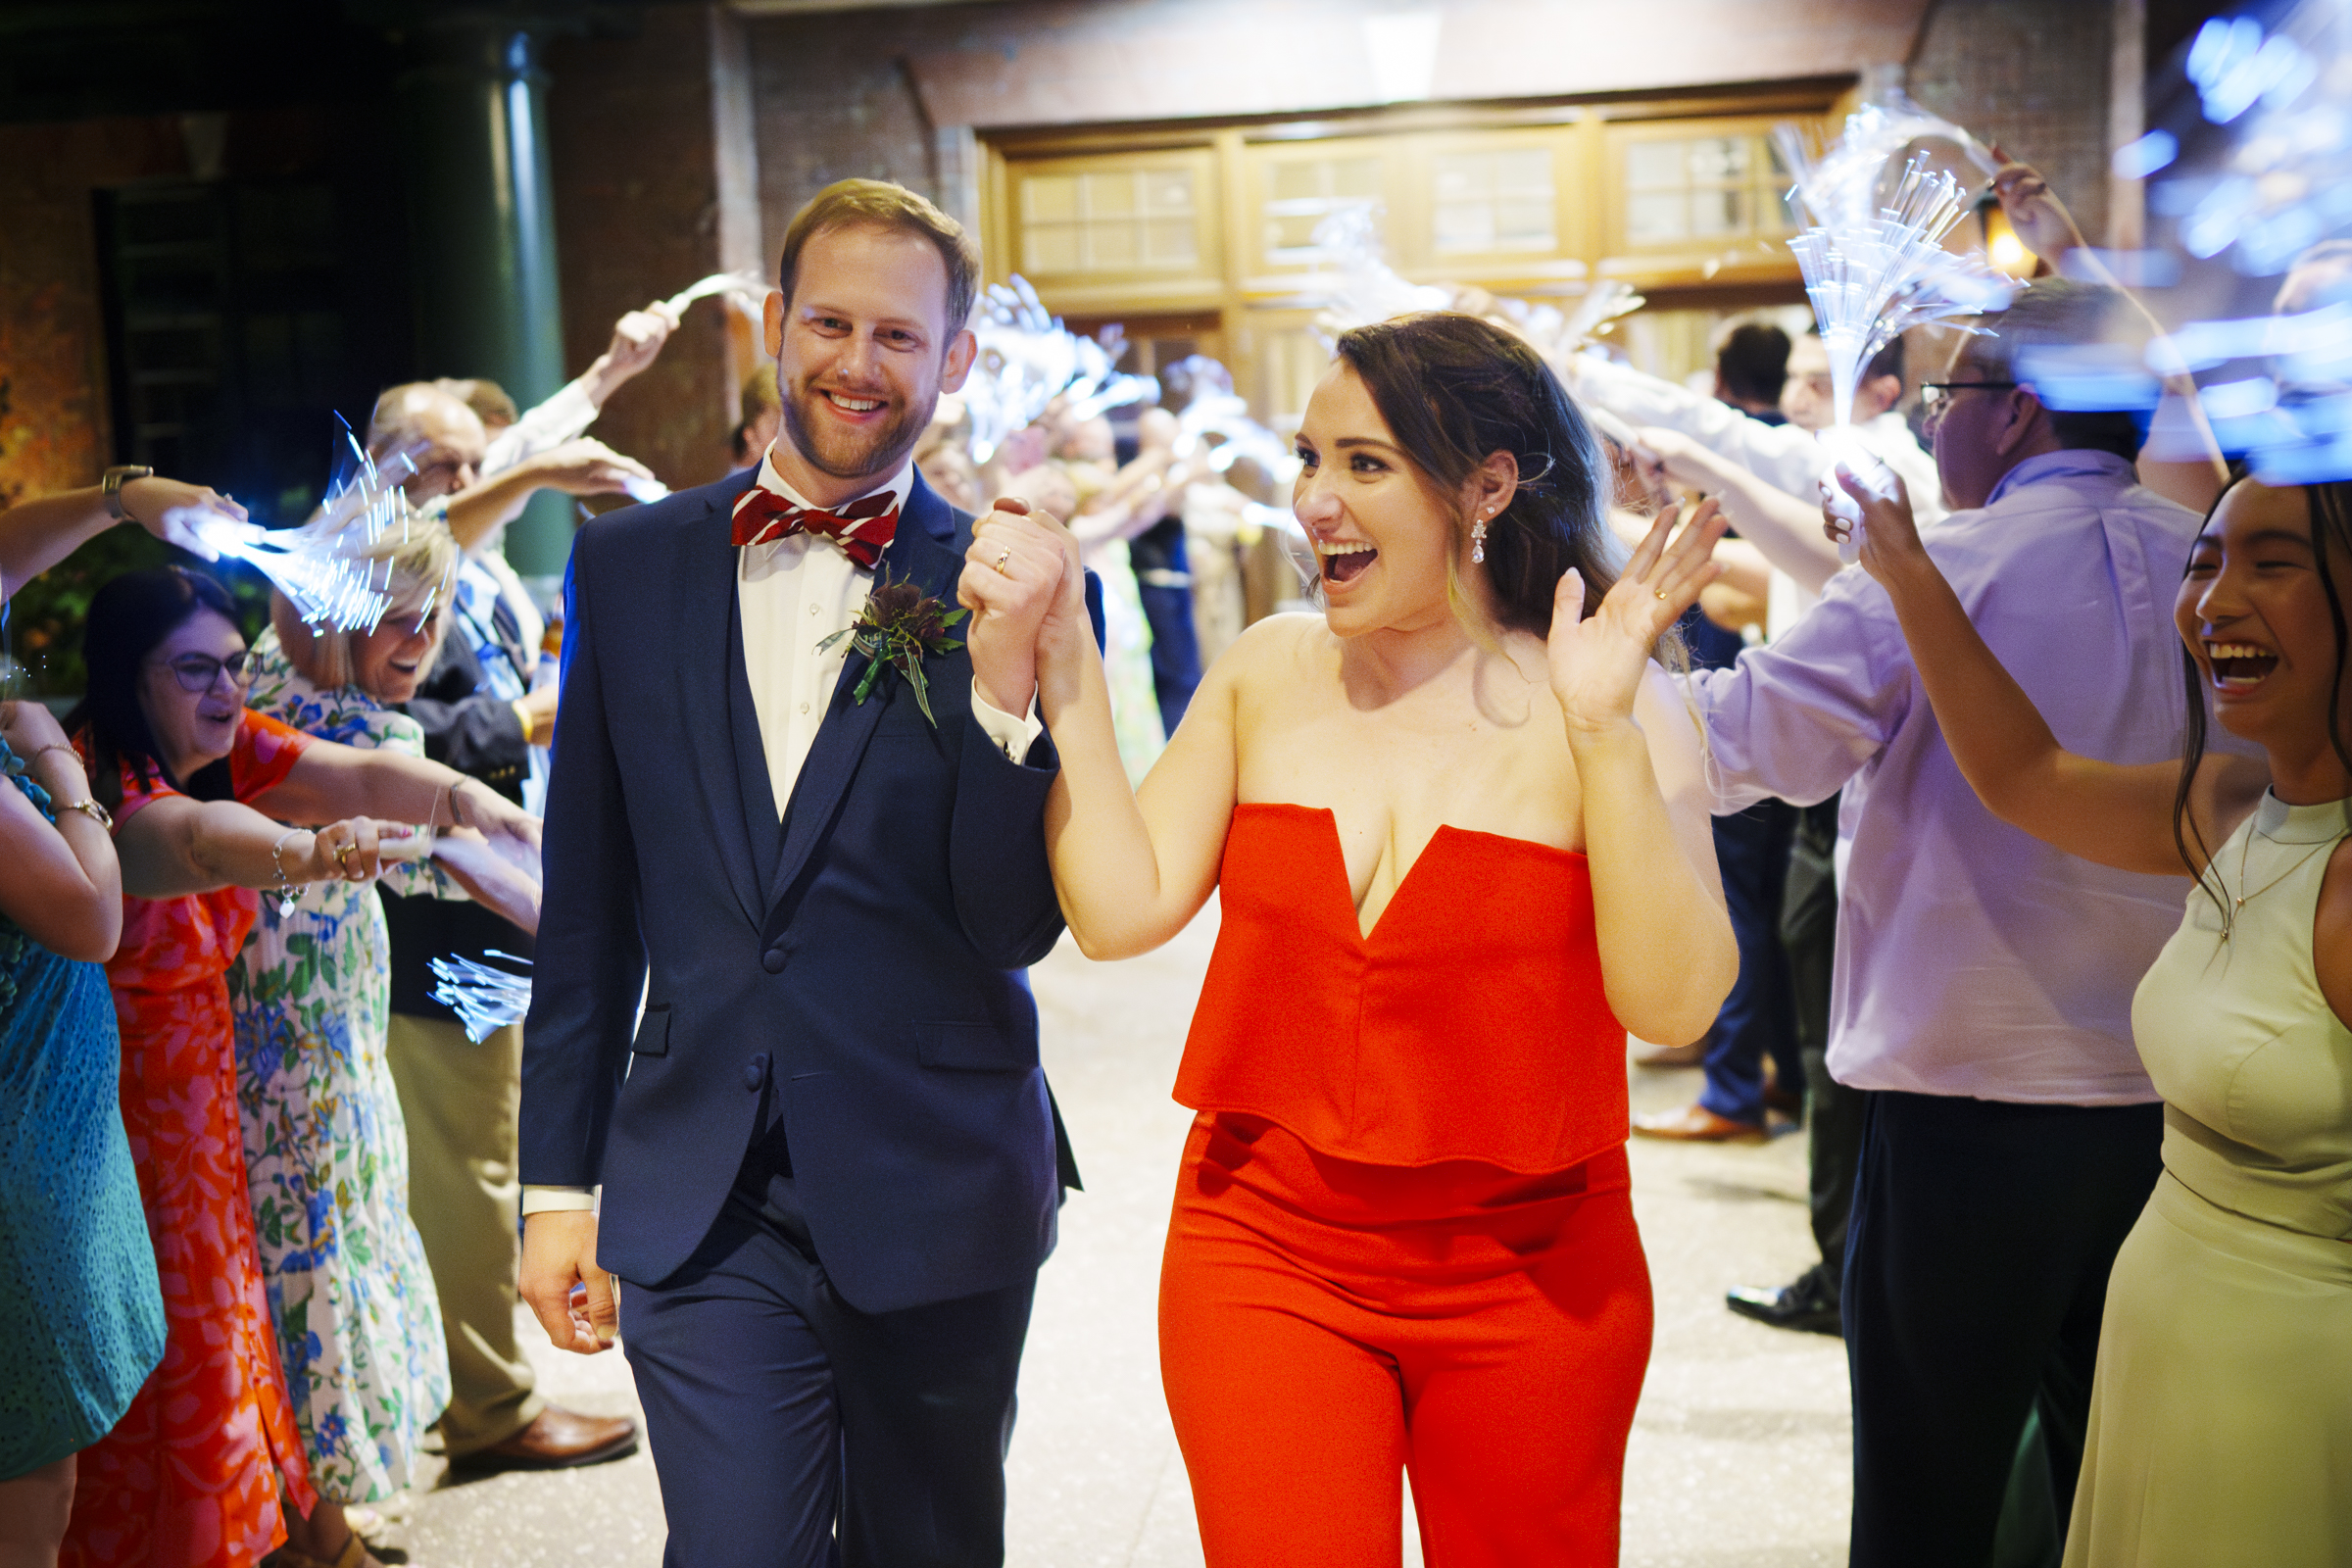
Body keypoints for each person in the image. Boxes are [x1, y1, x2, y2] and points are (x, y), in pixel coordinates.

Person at [973, 311, 1739, 1565]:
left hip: (1535, 1275)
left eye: (1366, 464)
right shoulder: (1268, 669)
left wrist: (1602, 730)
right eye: (1309, 457)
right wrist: (1064, 663)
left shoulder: (1610, 692)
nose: (1316, 500)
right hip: (1260, 1246)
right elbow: (1118, 911)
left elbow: (1675, 1004)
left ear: (1486, 485)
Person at [517, 177, 1088, 1566]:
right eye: (828, 322)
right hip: (701, 1188)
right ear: (774, 325)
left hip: (935, 1180)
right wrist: (555, 1189)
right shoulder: (629, 564)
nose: (856, 362)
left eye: (899, 336)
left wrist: (1008, 686)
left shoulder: (1012, 580)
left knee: (928, 1550)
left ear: (954, 359)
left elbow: (1014, 922)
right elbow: (588, 906)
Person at [1684, 278, 2258, 1567]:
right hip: (2183, 1112)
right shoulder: (2217, 567)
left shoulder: (1936, 573)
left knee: (1925, 1501)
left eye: (1947, 399)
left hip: (1967, 1120)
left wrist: (1610, 673)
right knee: (2116, 1495)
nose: (1932, 425)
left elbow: (1744, 747)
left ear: (2017, 415)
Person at [1833, 460, 2343, 1566]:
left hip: (2288, 1374)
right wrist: (1908, 569)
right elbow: (2030, 774)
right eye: (2204, 562)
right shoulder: (2235, 804)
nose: (2214, 600)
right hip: (2165, 1339)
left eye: (2273, 564)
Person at [58, 566, 539, 1567]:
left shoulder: (223, 744)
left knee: (234, 1349)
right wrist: (314, 856)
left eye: (234, 667)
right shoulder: (105, 785)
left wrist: (476, 808)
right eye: (195, 669)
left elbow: (355, 774)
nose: (228, 691)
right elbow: (195, 847)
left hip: (206, 1121)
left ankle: (283, 1535)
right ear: (125, 676)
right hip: (120, 1132)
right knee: (182, 1375)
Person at [227, 522, 541, 1564]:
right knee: (314, 1254)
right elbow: (432, 858)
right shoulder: (351, 728)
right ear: (335, 616)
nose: (418, 638)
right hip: (296, 1034)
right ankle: (317, 1531)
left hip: (304, 1012)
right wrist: (570, 914)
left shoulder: (262, 680)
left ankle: (300, 1513)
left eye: (432, 615)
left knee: (299, 1258)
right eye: (393, 616)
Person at [360, 382, 643, 1475]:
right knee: (468, 1173)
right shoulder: (365, 583)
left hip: (498, 893)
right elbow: (366, 724)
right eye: (448, 465)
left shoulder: (470, 579)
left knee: (504, 1148)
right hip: (428, 925)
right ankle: (487, 1405)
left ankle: (489, 1382)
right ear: (386, 465)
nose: (470, 486)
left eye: (484, 462)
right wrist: (515, 718)